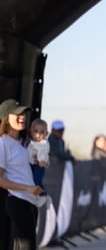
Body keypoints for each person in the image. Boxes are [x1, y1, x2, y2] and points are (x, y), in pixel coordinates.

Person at [0, 99, 46, 250]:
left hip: (30, 202)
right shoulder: (3, 143)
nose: (23, 116)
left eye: (23, 113)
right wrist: (27, 188)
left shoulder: (25, 142)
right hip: (17, 201)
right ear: (7, 118)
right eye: (17, 113)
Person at [27, 118, 50, 193]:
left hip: (39, 165)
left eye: (42, 132)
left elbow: (44, 153)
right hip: (31, 164)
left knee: (37, 180)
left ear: (46, 134)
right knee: (30, 179)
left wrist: (42, 161)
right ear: (31, 132)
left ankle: (42, 192)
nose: (38, 134)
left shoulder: (44, 144)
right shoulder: (30, 142)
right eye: (36, 131)